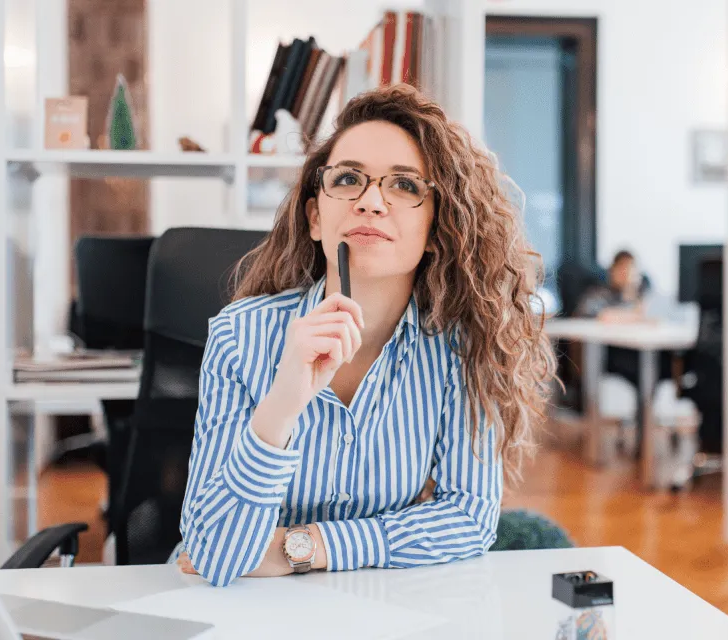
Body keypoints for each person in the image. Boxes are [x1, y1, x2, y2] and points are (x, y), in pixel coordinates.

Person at [174, 85, 556, 587]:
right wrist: (282, 406)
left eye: (404, 185)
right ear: (315, 217)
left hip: (381, 605)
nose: (371, 202)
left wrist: (304, 547)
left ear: (436, 225)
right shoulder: (240, 335)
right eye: (349, 179)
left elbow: (468, 518)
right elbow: (215, 554)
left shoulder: (461, 346)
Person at [574, 249, 648, 322]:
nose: (626, 274)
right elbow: (602, 317)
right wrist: (634, 316)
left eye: (631, 269)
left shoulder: (638, 299)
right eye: (622, 269)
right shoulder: (598, 294)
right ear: (612, 271)